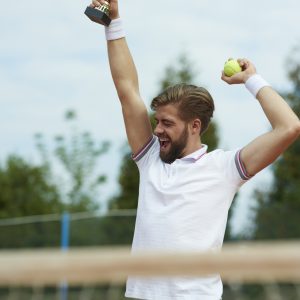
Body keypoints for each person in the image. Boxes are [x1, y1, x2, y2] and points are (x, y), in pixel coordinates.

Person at [89, 1, 300, 299]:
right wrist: (113, 24)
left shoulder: (225, 168)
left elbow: (289, 127)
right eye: (156, 121)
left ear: (195, 126)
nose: (158, 129)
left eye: (167, 123)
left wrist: (251, 80)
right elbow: (127, 90)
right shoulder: (151, 159)